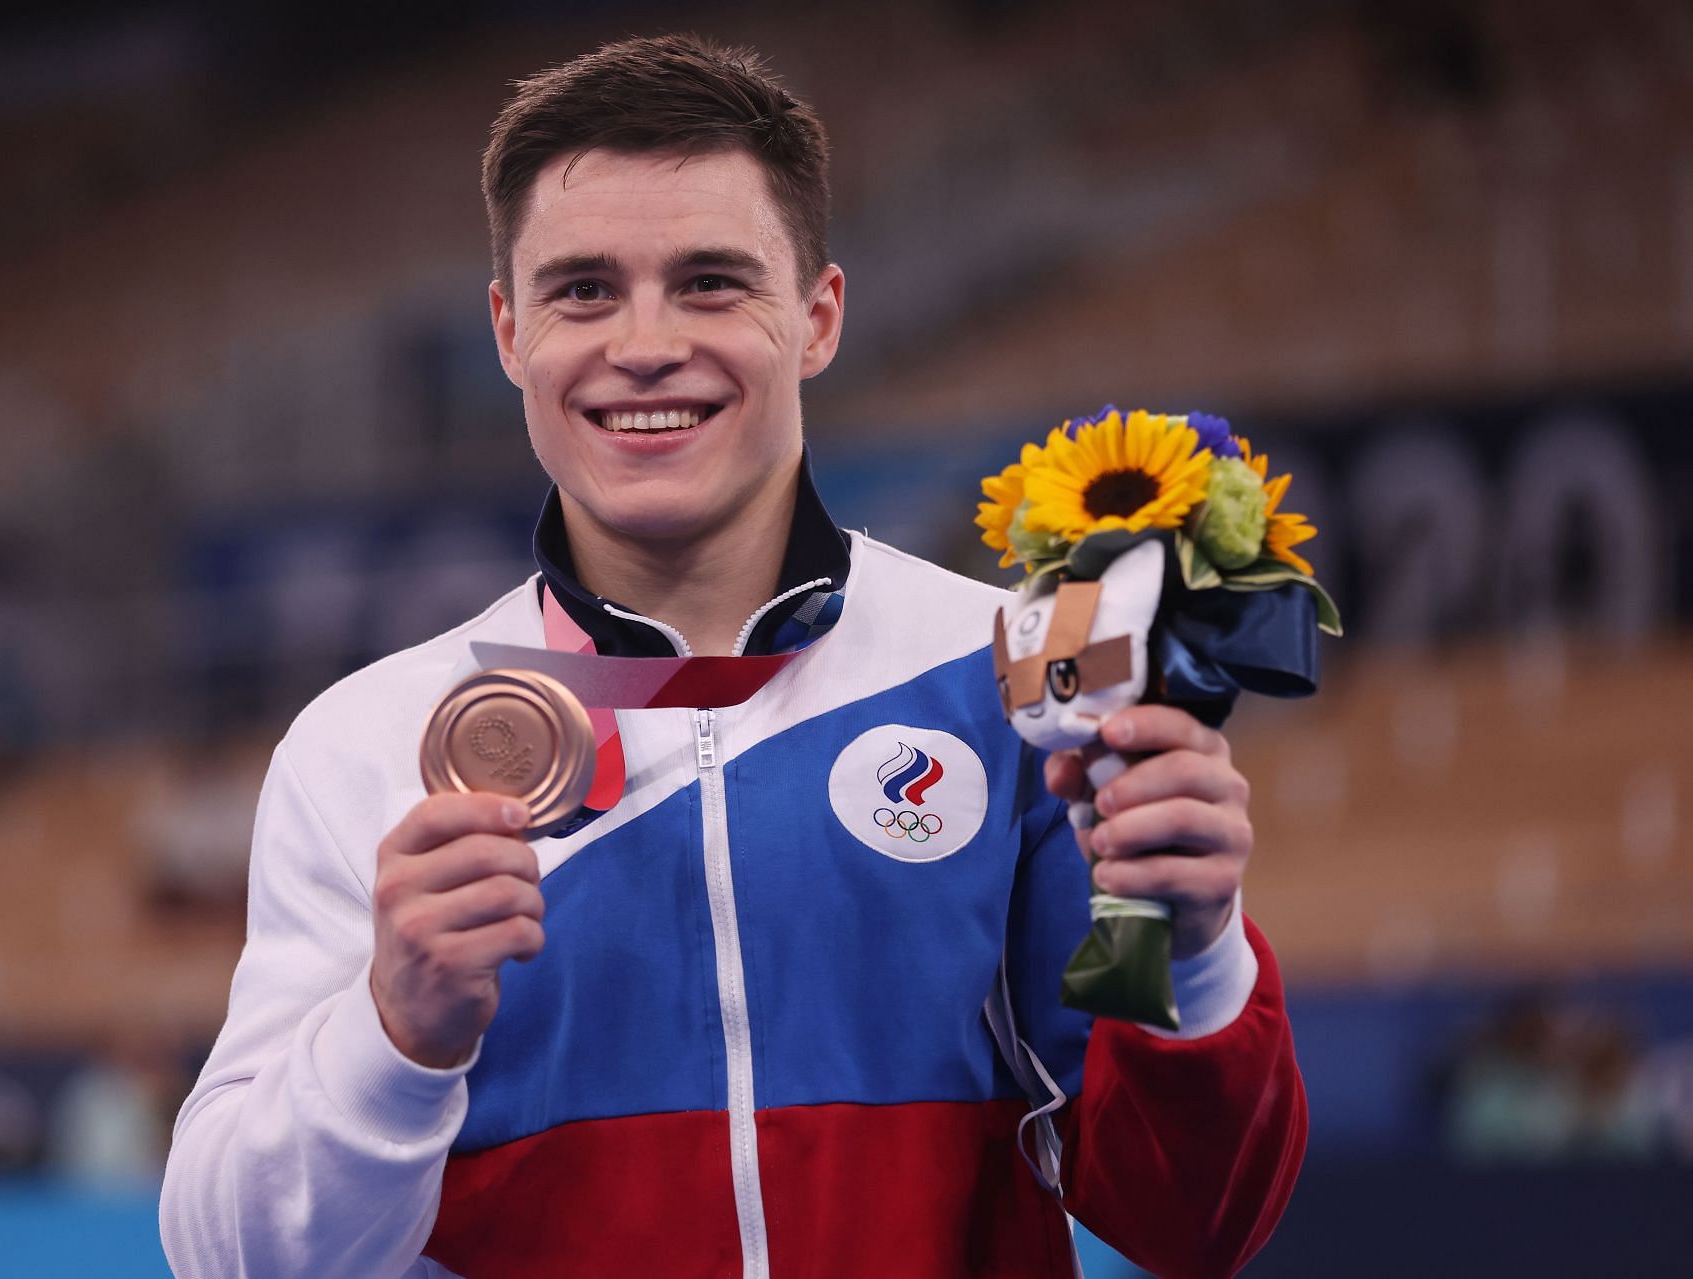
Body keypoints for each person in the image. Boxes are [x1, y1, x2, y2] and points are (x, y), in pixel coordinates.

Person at [160, 34, 1304, 1279]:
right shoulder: (367, 746)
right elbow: (230, 1258)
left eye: (711, 282)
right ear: (507, 332)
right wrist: (394, 1037)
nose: (642, 344)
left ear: (817, 318)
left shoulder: (1018, 676)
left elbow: (1198, 1224)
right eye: (582, 289)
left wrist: (1194, 947)